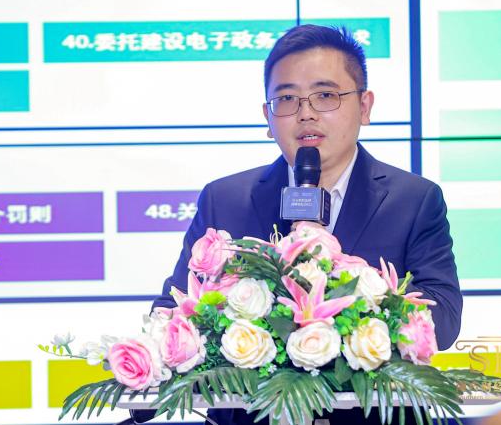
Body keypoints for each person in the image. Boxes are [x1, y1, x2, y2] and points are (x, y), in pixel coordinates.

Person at [147, 24, 463, 425]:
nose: (306, 113)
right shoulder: (224, 199)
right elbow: (172, 309)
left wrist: (348, 297)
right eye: (287, 99)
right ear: (268, 116)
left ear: (365, 106)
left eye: (325, 95)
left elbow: (444, 319)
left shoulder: (414, 200)